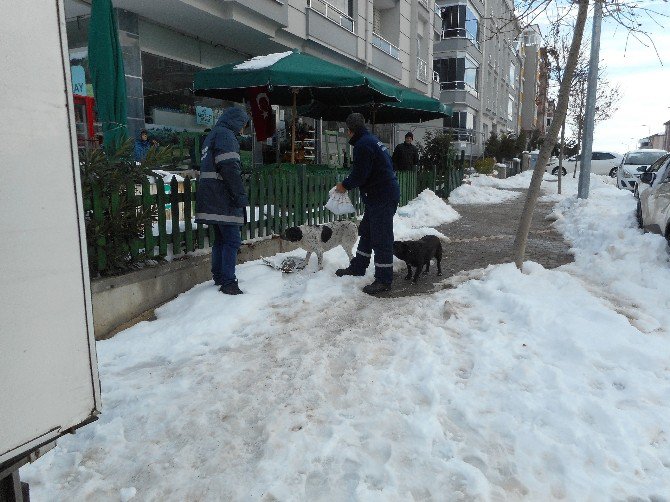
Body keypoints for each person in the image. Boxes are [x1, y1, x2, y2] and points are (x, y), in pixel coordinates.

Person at [334, 113, 400, 295]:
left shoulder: (363, 145)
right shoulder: (371, 140)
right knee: (367, 231)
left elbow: (360, 174)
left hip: (382, 195)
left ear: (350, 130)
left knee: (382, 238)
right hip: (380, 193)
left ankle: (384, 279)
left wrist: (344, 185)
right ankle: (359, 266)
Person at [195, 107, 249, 295]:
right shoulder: (226, 136)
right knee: (232, 240)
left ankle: (219, 276)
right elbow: (229, 168)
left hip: (210, 197)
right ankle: (228, 283)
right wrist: (240, 195)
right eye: (242, 124)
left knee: (220, 239)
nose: (243, 129)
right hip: (223, 198)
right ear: (235, 121)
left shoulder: (212, 135)